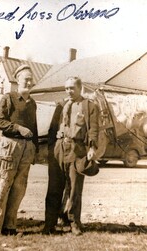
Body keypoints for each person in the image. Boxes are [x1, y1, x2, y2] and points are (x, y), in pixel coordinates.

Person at [0, 64, 38, 238]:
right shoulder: (9, 98)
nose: (29, 82)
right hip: (9, 147)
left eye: (31, 79)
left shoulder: (32, 103)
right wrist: (18, 128)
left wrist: (34, 148)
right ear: (17, 80)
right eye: (26, 79)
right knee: (2, 185)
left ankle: (9, 227)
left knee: (19, 188)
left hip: (26, 149)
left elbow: (34, 128)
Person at [43, 76, 99, 235]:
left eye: (72, 88)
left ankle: (74, 222)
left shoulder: (89, 106)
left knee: (75, 188)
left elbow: (94, 128)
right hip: (59, 147)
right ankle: (49, 224)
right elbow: (53, 128)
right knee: (54, 186)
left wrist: (92, 147)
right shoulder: (61, 105)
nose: (68, 91)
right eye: (66, 88)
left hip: (77, 149)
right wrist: (51, 148)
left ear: (80, 88)